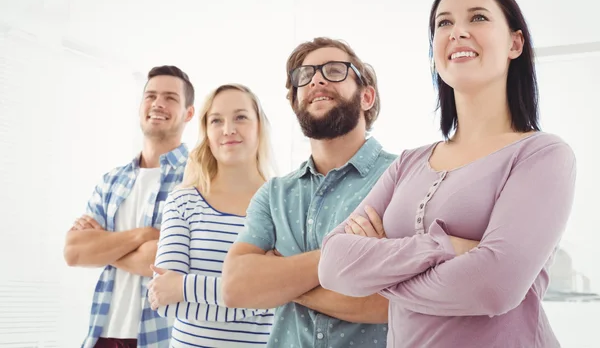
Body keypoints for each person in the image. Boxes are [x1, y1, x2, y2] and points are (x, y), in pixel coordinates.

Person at [318, 0, 576, 348]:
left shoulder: (543, 156)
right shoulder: (408, 163)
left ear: (515, 43)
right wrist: (448, 247)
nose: (457, 32)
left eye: (478, 18)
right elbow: (333, 265)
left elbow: (493, 286)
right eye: (444, 23)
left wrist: (377, 271)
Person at [222, 37, 395, 347]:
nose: (316, 78)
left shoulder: (403, 177)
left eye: (334, 70)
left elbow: (391, 303)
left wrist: (278, 278)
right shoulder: (274, 193)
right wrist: (351, 256)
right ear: (295, 102)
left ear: (366, 96)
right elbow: (235, 287)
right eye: (305, 75)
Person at [64, 66, 195, 348]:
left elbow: (160, 259)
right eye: (151, 96)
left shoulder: (197, 178)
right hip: (101, 333)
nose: (158, 103)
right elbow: (74, 252)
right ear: (140, 106)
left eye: (170, 97)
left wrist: (101, 247)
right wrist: (142, 235)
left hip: (159, 337)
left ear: (189, 113)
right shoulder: (112, 180)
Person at [146, 84, 276, 347]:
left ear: (259, 126)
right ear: (206, 131)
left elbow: (283, 297)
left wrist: (184, 286)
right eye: (216, 120)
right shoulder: (182, 202)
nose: (228, 129)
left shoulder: (282, 204)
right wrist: (255, 299)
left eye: (240, 117)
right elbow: (165, 301)